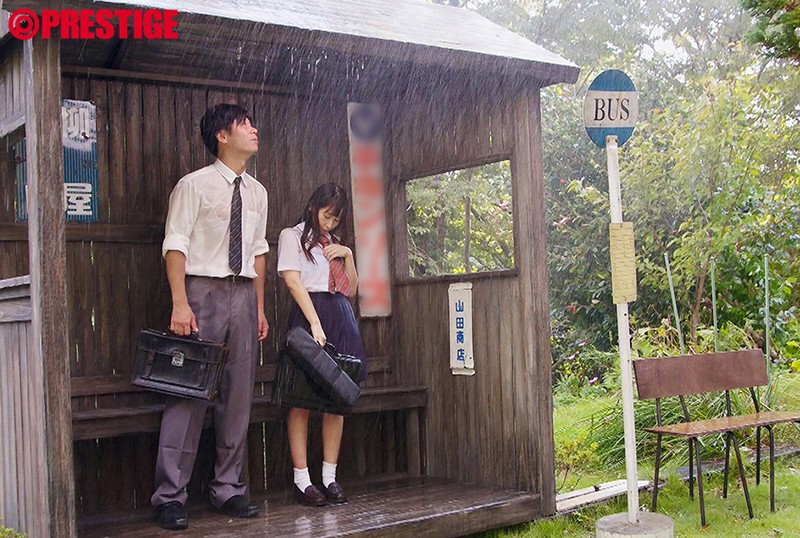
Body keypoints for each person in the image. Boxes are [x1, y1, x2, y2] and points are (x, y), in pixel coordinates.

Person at [152, 103, 269, 531]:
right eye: (244, 124)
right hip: (201, 292)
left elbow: (258, 253)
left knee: (238, 396)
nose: (253, 130)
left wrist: (259, 308)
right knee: (188, 392)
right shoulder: (193, 185)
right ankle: (169, 496)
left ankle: (228, 489)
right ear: (222, 135)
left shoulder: (258, 192)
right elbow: (175, 245)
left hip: (244, 294)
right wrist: (180, 303)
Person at [277, 183, 367, 506]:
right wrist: (314, 322)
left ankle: (330, 477)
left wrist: (348, 255)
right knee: (300, 399)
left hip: (341, 316)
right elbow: (292, 281)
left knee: (337, 399)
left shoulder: (336, 243)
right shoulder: (291, 236)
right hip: (309, 316)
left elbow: (351, 290)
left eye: (335, 219)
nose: (329, 223)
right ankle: (302, 480)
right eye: (326, 215)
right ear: (313, 206)